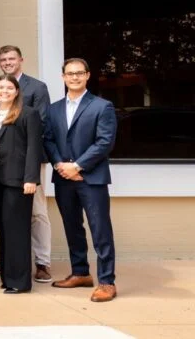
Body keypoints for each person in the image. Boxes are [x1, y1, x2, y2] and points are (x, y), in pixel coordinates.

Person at [44, 58, 118, 302]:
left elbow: (105, 142)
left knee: (100, 229)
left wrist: (78, 165)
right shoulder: (53, 109)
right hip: (64, 178)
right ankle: (80, 273)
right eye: (69, 74)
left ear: (87, 75)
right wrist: (60, 165)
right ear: (63, 77)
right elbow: (49, 140)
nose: (74, 77)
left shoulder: (101, 106)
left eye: (79, 73)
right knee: (72, 227)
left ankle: (107, 281)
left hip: (92, 178)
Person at [0, 45, 54, 283]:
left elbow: (41, 127)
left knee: (37, 212)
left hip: (28, 162)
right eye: (3, 59)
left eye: (12, 58)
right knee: (7, 215)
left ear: (21, 60)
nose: (8, 62)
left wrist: (31, 174)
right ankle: (10, 260)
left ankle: (42, 262)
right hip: (2, 168)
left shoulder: (37, 88)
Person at [0, 74, 43, 294]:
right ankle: (8, 278)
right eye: (1, 87)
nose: (5, 91)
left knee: (17, 231)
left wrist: (31, 178)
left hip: (18, 180)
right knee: (4, 229)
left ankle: (20, 281)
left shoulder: (28, 113)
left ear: (17, 91)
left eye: (10, 88)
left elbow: (34, 148)